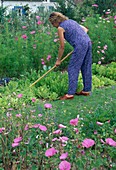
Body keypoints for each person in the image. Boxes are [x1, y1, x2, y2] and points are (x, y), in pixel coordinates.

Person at [49, 12, 92, 100]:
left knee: (72, 68)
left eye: (52, 23)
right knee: (86, 66)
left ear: (56, 21)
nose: (53, 26)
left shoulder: (61, 28)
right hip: (88, 42)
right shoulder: (71, 21)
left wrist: (58, 60)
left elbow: (62, 46)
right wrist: (81, 40)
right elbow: (85, 29)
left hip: (80, 45)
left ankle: (70, 94)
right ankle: (86, 90)